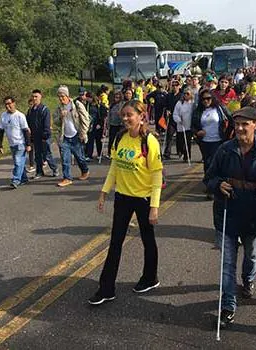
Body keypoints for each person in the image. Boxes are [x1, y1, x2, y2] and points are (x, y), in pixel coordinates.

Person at [204, 107, 256, 329]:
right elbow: (209, 178)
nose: (240, 128)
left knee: (251, 257)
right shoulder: (225, 150)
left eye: (245, 124)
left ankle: (249, 280)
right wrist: (218, 184)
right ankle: (228, 306)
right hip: (227, 213)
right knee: (227, 264)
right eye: (237, 124)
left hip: (254, 216)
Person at [89, 100, 164, 305]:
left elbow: (157, 176)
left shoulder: (149, 141)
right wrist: (104, 192)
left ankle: (150, 278)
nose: (125, 118)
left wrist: (154, 207)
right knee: (115, 242)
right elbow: (115, 167)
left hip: (143, 198)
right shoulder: (120, 137)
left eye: (130, 115)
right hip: (123, 197)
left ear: (141, 117)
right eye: (123, 115)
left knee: (148, 240)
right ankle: (106, 289)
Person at [192, 90, 234, 199]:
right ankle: (210, 185)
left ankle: (214, 188)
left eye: (208, 98)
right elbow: (193, 126)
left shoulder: (219, 108)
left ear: (213, 98)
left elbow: (231, 120)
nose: (206, 101)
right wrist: (197, 132)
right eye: (203, 99)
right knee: (207, 163)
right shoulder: (198, 111)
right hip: (204, 142)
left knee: (214, 163)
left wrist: (227, 134)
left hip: (218, 140)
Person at [53, 85, 91, 187]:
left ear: (67, 95)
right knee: (65, 159)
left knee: (80, 158)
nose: (61, 98)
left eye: (63, 96)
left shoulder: (76, 105)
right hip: (65, 137)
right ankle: (67, 178)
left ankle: (85, 171)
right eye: (59, 96)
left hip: (76, 136)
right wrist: (61, 116)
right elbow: (55, 121)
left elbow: (86, 119)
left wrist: (83, 133)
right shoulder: (59, 108)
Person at [0, 96, 31, 189]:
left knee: (18, 162)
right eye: (6, 104)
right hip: (12, 144)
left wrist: (28, 144)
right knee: (20, 163)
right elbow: (0, 131)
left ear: (14, 103)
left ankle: (16, 180)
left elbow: (26, 130)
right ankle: (24, 178)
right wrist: (0, 145)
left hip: (20, 143)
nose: (8, 106)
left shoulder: (20, 116)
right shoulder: (3, 116)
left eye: (9, 103)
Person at [26, 89, 58, 179]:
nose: (34, 98)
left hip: (44, 137)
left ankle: (54, 169)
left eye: (36, 96)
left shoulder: (44, 109)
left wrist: (45, 135)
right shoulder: (30, 111)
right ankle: (39, 172)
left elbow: (47, 124)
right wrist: (30, 137)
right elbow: (28, 124)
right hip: (35, 137)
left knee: (47, 154)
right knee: (38, 155)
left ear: (40, 97)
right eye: (33, 96)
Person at [162, 79, 183, 159]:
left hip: (179, 118)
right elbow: (165, 105)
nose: (174, 87)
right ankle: (167, 153)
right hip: (171, 119)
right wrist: (167, 111)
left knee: (180, 137)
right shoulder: (169, 95)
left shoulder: (181, 95)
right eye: (173, 85)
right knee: (169, 136)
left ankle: (180, 151)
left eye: (176, 85)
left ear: (179, 86)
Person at [172, 86, 194, 162]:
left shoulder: (193, 103)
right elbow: (175, 114)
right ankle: (181, 152)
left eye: (187, 94)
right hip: (181, 126)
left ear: (191, 94)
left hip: (189, 127)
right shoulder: (179, 103)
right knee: (181, 143)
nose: (186, 95)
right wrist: (178, 119)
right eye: (184, 94)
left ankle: (187, 157)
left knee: (188, 143)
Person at [85, 92, 107, 160]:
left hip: (97, 124)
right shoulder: (87, 105)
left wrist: (100, 124)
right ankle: (89, 155)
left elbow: (103, 115)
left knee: (98, 140)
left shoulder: (99, 105)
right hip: (90, 125)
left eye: (89, 98)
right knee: (90, 140)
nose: (87, 99)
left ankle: (99, 154)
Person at [107, 91, 125, 158]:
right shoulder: (112, 105)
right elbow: (109, 114)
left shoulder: (122, 104)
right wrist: (108, 123)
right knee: (111, 139)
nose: (116, 99)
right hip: (113, 124)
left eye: (118, 97)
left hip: (120, 124)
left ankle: (118, 152)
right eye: (115, 97)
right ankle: (110, 153)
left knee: (119, 139)